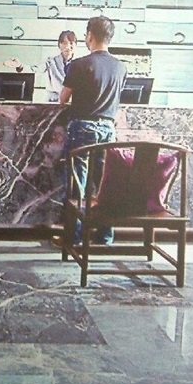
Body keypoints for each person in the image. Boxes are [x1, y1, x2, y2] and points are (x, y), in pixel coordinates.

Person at [59, 15, 127, 245]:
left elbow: (63, 99)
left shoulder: (80, 64)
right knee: (104, 183)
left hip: (83, 127)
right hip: (108, 130)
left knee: (77, 183)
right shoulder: (121, 67)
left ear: (89, 36)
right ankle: (105, 235)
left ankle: (74, 237)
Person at [44, 30, 78, 102]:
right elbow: (37, 69)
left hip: (73, 102)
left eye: (71, 43)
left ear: (75, 45)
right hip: (53, 102)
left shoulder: (80, 64)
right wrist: (21, 66)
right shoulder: (51, 61)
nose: (68, 47)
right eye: (64, 43)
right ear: (59, 45)